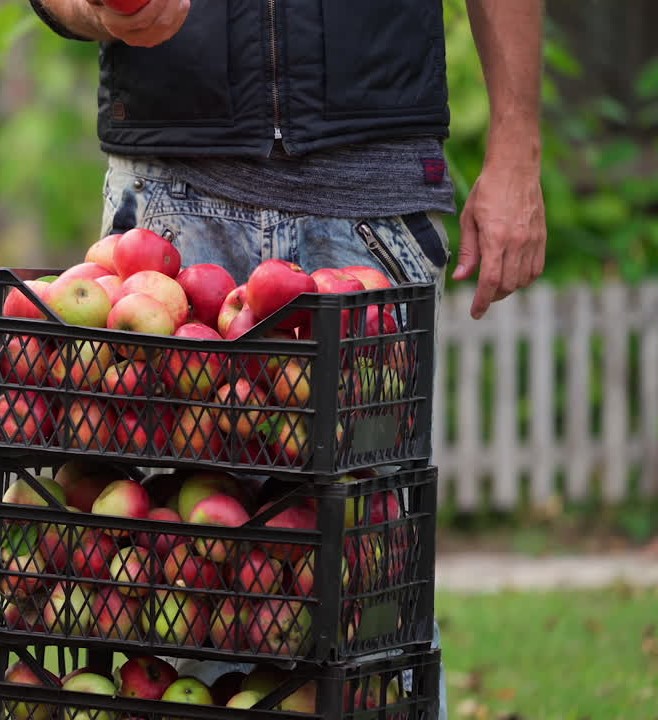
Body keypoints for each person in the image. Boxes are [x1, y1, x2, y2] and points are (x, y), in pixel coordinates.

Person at [27, 0, 547, 715]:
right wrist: (98, 9)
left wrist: (517, 149)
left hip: (367, 193)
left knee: (369, 577)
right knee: (174, 586)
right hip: (173, 203)